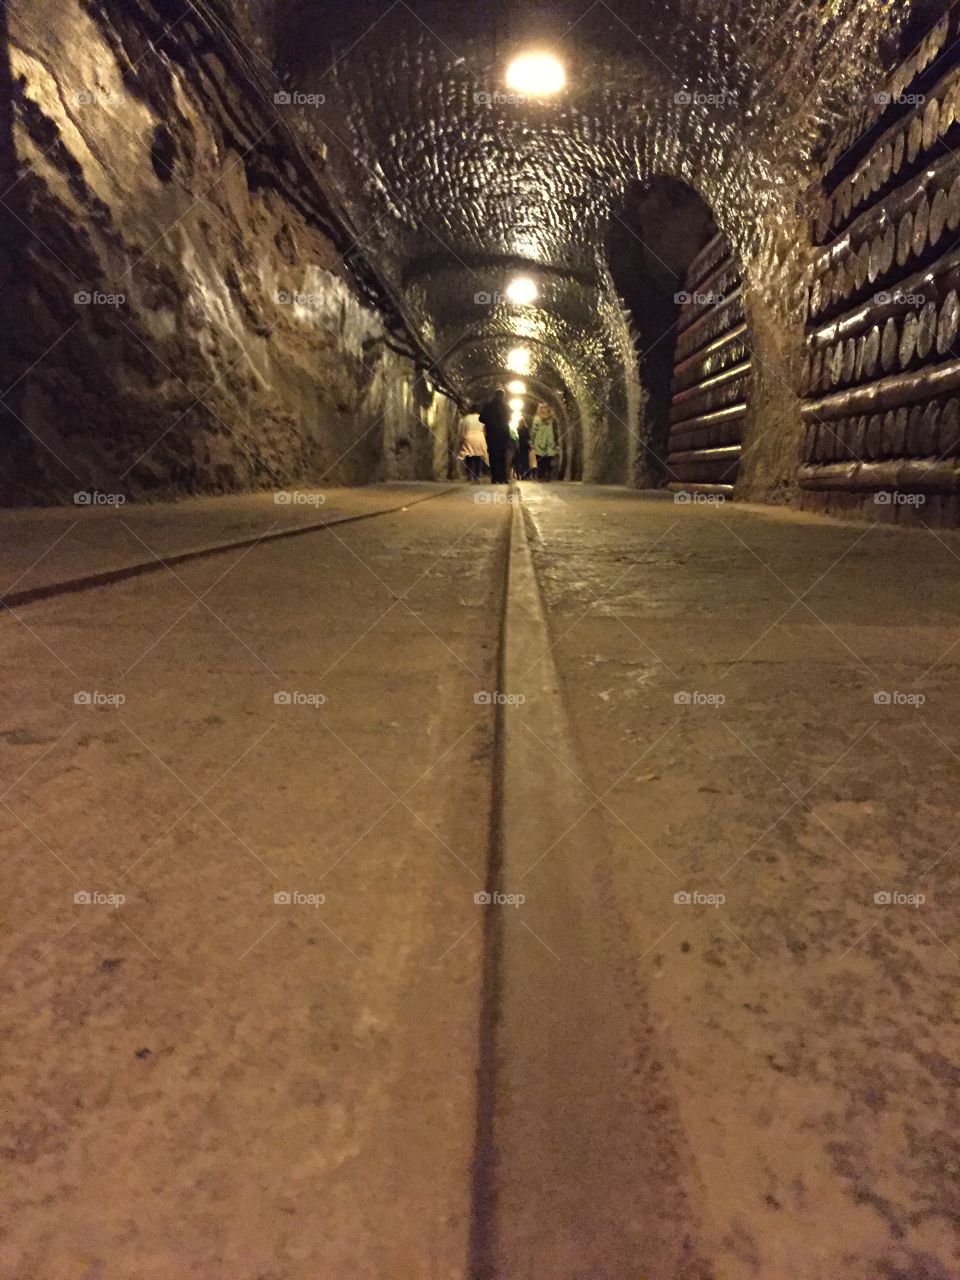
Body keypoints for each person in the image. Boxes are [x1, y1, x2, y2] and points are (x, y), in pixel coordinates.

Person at [479, 388, 512, 484]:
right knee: (502, 455)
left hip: (492, 433)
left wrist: (490, 422)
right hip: (503, 433)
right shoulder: (506, 407)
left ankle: (495, 477)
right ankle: (503, 478)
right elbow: (510, 418)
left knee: (493, 455)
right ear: (503, 396)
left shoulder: (488, 406)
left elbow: (481, 418)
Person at [458, 408, 488, 482]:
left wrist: (461, 440)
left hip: (469, 437)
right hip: (479, 437)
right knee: (478, 457)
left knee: (469, 457)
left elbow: (462, 430)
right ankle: (476, 475)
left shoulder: (466, 418)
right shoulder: (481, 418)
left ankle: (469, 475)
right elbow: (485, 430)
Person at [531, 404, 558, 481]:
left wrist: (532, 441)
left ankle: (540, 476)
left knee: (540, 460)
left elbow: (534, 431)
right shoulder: (550, 420)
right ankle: (546, 476)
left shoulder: (537, 418)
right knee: (547, 460)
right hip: (549, 441)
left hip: (539, 441)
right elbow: (554, 431)